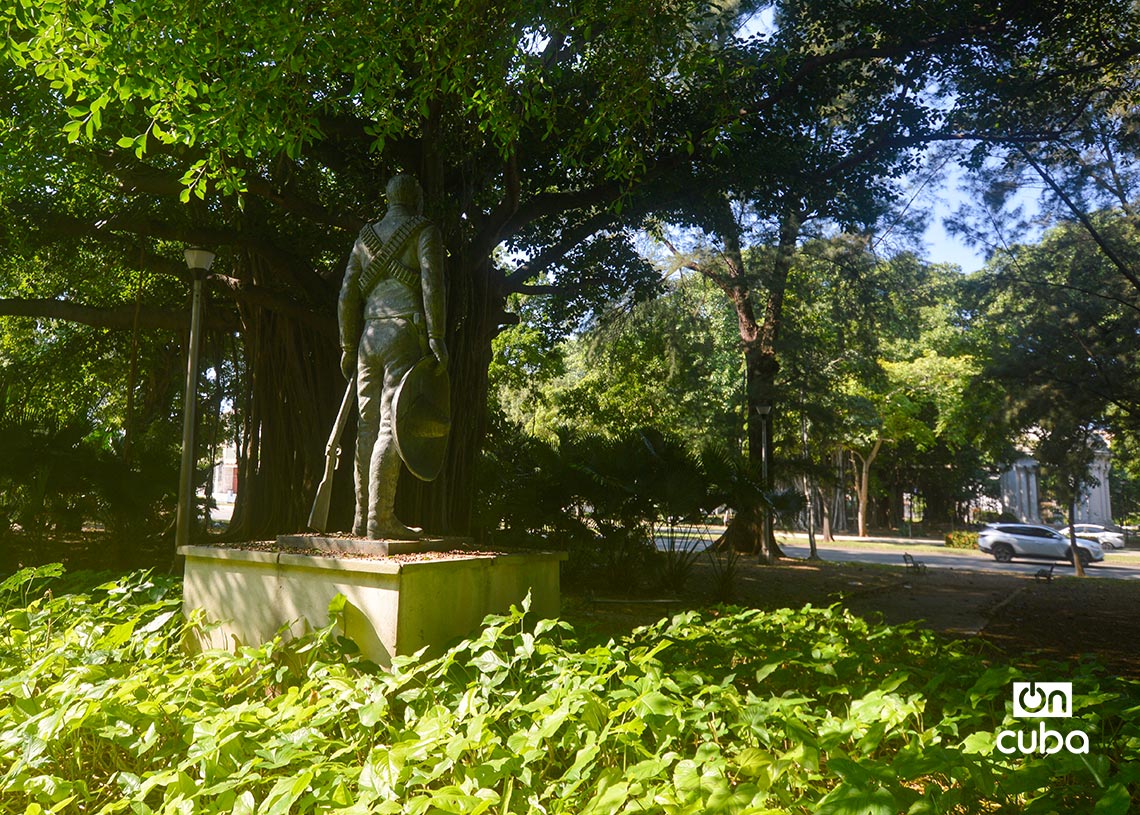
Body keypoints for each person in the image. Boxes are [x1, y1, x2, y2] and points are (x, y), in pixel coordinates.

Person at [338, 174, 447, 538]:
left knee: (366, 426)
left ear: (387, 199)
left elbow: (345, 297)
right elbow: (432, 284)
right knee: (390, 424)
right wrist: (437, 336)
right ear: (415, 198)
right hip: (404, 331)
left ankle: (360, 518)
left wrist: (347, 345)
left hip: (368, 336)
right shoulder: (423, 231)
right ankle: (378, 518)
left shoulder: (365, 237)